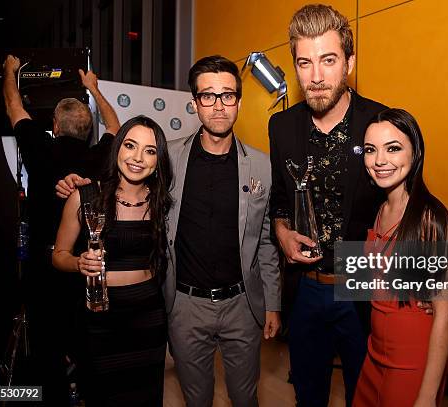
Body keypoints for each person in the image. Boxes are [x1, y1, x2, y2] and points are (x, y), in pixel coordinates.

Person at [268, 5, 387, 406]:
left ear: (349, 63)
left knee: (366, 396)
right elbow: (280, 202)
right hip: (306, 292)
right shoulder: (281, 127)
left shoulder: (380, 123)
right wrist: (282, 233)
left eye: (328, 60)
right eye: (305, 63)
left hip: (364, 291)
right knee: (308, 395)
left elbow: (406, 205)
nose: (316, 77)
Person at [162, 55, 280, 407]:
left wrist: (272, 303)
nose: (218, 106)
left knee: (245, 397)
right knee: (196, 399)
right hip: (185, 305)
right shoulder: (168, 158)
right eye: (208, 96)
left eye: (227, 96)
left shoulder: (261, 165)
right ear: (194, 102)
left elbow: (265, 242)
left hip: (242, 305)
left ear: (239, 103)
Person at [3, 54, 119, 404]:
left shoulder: (40, 148)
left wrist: (10, 71)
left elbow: (12, 104)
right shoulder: (99, 156)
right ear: (87, 131)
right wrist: (94, 89)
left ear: (55, 123)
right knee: (88, 356)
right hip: (85, 272)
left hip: (44, 273)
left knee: (47, 359)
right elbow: (114, 124)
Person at [52, 115, 171, 406]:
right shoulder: (85, 196)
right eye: (130, 145)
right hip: (99, 319)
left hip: (148, 318)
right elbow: (58, 255)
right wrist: (78, 263)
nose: (138, 158)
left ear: (158, 160)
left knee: (146, 398)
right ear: (117, 147)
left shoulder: (163, 201)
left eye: (150, 150)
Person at [352, 108, 448, 407]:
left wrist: (426, 396)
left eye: (393, 148)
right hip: (374, 354)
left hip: (412, 363)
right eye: (370, 150)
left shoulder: (430, 219)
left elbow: (446, 317)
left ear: (416, 152)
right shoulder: (380, 209)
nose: (379, 161)